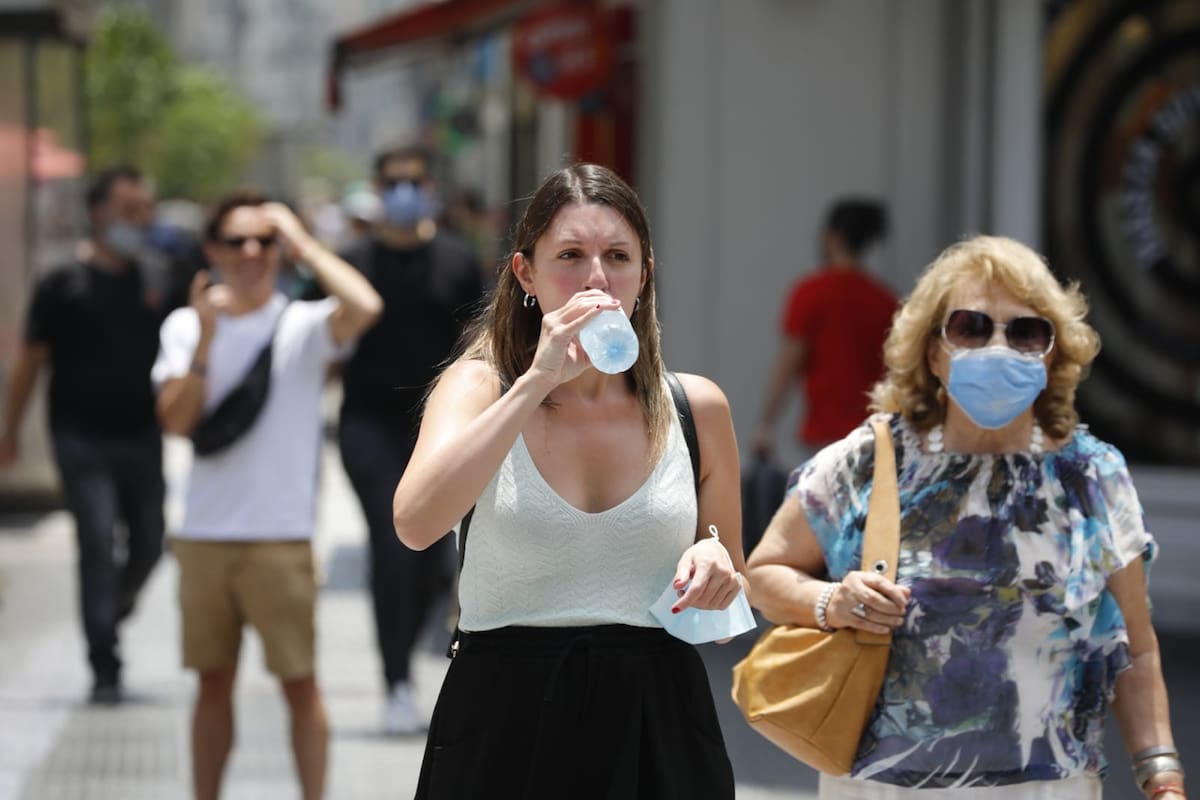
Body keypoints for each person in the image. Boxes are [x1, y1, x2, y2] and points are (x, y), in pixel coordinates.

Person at [745, 235, 1186, 800]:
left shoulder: (1092, 476)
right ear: (933, 351)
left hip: (1045, 789)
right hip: (882, 788)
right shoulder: (867, 462)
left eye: (1025, 331)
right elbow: (763, 575)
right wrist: (833, 601)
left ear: (1051, 355)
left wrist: (1162, 776)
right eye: (971, 327)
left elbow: (1137, 648)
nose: (998, 347)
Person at [392, 163, 745, 799]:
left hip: (656, 718)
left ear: (645, 275)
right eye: (570, 256)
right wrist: (535, 383)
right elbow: (416, 525)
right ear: (526, 274)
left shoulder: (696, 408)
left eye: (617, 256)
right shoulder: (481, 388)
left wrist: (714, 557)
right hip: (505, 716)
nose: (596, 279)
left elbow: (725, 590)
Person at [151, 190, 382, 800]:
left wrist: (303, 241)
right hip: (204, 536)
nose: (252, 252)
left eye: (264, 240)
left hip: (281, 536)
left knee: (300, 685)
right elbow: (175, 422)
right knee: (211, 685)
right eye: (237, 241)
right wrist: (204, 338)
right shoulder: (183, 325)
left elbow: (365, 304)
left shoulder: (302, 324)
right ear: (212, 251)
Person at [0, 165, 168, 704]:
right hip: (79, 438)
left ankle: (109, 609)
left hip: (142, 434)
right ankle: (104, 663)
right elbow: (29, 361)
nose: (137, 221)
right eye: (126, 209)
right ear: (98, 212)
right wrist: (9, 430)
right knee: (95, 541)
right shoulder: (61, 282)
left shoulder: (155, 279)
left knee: (148, 541)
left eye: (144, 210)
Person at [338, 145, 483, 734]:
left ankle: (415, 650)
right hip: (368, 424)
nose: (403, 191)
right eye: (392, 181)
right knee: (391, 547)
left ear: (429, 188)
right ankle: (395, 681)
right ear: (377, 188)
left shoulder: (455, 259)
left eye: (413, 181)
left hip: (442, 427)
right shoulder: (353, 260)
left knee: (435, 560)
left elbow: (481, 336)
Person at [752, 198, 897, 457]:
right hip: (876, 435)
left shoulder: (811, 292)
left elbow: (789, 362)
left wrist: (766, 424)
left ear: (833, 236)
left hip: (825, 438)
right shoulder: (886, 301)